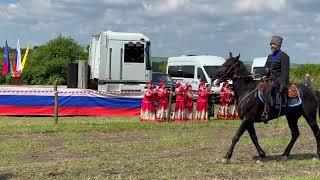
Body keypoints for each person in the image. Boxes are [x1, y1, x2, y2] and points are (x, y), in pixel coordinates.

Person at [261, 35, 290, 123]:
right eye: (271, 44)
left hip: (279, 80)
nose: (271, 46)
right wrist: (265, 70)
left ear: (279, 45)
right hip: (269, 79)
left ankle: (267, 112)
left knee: (269, 87)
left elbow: (285, 73)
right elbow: (265, 68)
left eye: (274, 44)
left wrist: (282, 84)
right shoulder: (269, 56)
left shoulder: (284, 56)